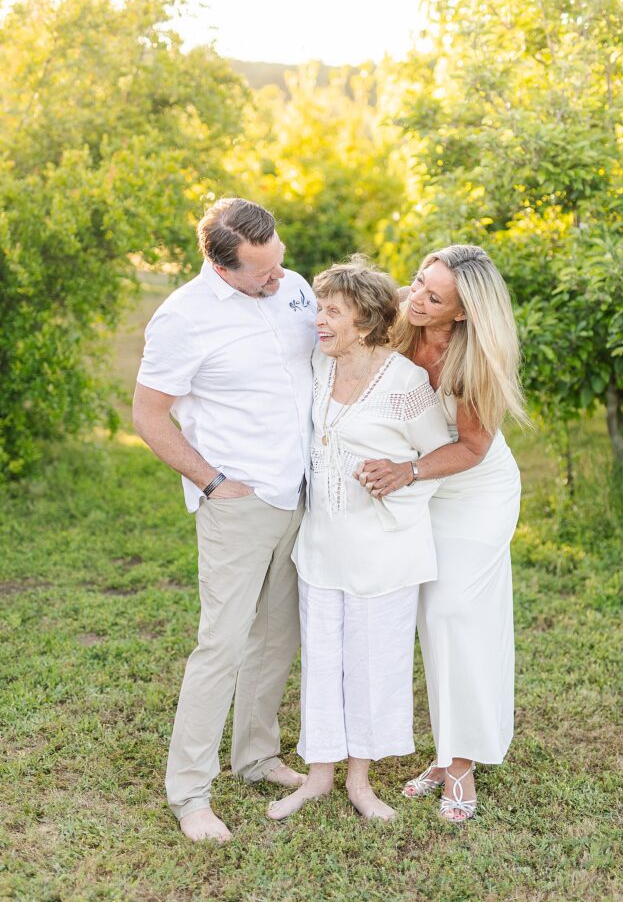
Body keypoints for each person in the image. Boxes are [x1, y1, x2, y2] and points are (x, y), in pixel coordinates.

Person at [132, 197, 316, 842]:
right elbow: (148, 416)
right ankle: (190, 792)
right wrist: (214, 482)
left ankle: (257, 755)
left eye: (278, 265)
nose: (277, 280)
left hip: (302, 495)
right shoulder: (182, 318)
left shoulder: (293, 288)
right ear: (219, 264)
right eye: (260, 273)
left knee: (277, 635)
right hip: (239, 504)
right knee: (222, 645)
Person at [267, 257, 451, 823]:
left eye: (333, 312)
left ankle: (360, 782)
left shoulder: (405, 385)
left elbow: (438, 459)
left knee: (374, 664)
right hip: (321, 547)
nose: (319, 321)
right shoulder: (319, 369)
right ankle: (318, 776)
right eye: (320, 309)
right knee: (322, 661)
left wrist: (397, 479)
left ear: (367, 322)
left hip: (383, 552)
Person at [357, 245, 525, 823]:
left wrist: (406, 472)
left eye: (434, 296)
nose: (417, 298)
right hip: (423, 485)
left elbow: (473, 448)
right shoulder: (408, 315)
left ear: (464, 313)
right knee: (428, 615)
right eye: (418, 282)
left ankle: (460, 764)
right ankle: (446, 746)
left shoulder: (475, 358)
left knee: (455, 611)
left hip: (473, 492)